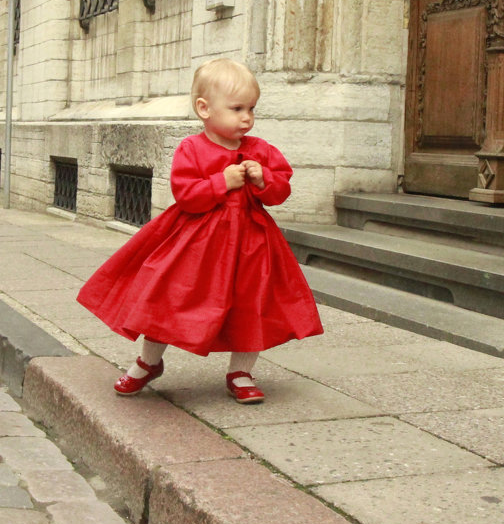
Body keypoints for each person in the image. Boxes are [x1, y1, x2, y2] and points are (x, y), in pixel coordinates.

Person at [77, 59, 323, 404]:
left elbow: (280, 191)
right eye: (237, 108)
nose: (246, 117)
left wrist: (264, 177)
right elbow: (187, 195)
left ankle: (241, 371)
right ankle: (149, 362)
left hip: (251, 243)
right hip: (196, 243)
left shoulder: (260, 150)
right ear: (204, 109)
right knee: (168, 296)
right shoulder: (192, 148)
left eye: (251, 108)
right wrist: (221, 181)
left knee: (251, 301)